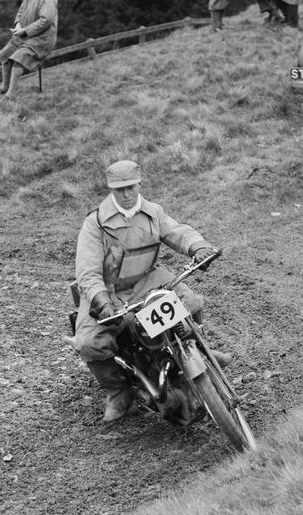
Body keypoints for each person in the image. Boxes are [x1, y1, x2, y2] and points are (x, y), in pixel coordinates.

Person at [73, 160, 227, 422]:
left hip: (147, 279)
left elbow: (178, 232)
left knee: (191, 302)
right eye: (119, 189)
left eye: (130, 187)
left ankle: (199, 351)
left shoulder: (153, 212)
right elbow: (87, 272)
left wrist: (197, 246)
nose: (126, 194)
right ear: (111, 189)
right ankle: (119, 392)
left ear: (139, 184)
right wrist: (101, 301)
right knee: (90, 343)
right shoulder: (95, 222)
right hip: (110, 289)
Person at [0, 0, 58, 104]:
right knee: (5, 55)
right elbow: (21, 11)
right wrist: (18, 24)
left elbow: (46, 21)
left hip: (42, 38)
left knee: (18, 58)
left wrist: (25, 30)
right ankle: (5, 87)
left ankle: (10, 96)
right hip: (25, 34)